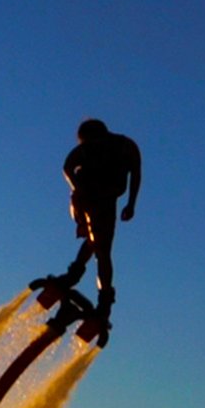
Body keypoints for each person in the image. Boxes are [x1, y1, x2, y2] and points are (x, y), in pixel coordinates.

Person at [57, 118, 141, 320]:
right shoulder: (88, 149)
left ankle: (102, 301)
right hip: (87, 198)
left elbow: (136, 173)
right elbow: (67, 167)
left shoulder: (125, 146)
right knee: (98, 243)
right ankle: (76, 277)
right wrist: (77, 187)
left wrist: (131, 203)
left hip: (106, 200)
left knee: (101, 247)